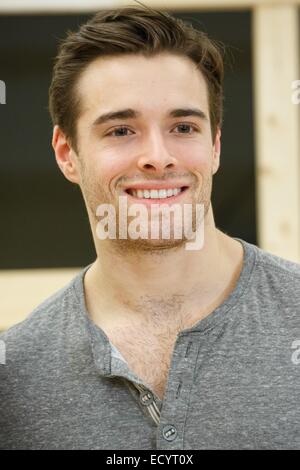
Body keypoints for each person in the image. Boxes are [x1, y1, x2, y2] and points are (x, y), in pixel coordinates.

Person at [1, 5, 300, 451]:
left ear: (214, 146)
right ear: (67, 152)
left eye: (183, 126)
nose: (158, 156)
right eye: (121, 130)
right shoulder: (15, 374)